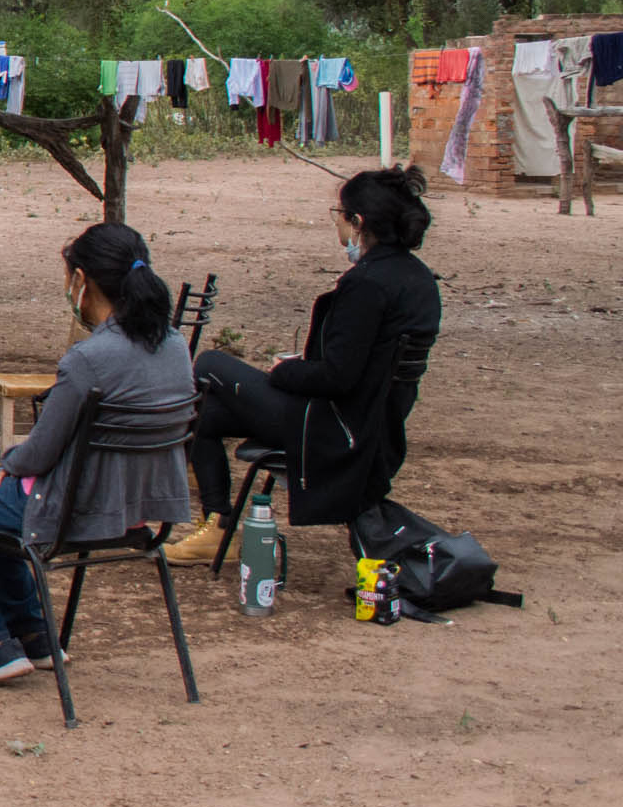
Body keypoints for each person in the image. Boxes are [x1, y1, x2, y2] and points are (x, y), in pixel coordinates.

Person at [0, 223, 193, 682]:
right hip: (138, 507)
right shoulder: (175, 347)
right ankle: (33, 635)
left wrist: (10, 467)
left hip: (74, 508)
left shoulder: (89, 359)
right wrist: (10, 472)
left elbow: (38, 453)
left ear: (81, 280)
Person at [165, 166, 443, 564]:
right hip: (373, 421)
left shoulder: (365, 284)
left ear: (357, 222)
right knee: (209, 414)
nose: (339, 225)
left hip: (334, 426)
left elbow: (338, 377)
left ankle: (216, 521)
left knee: (210, 364)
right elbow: (364, 359)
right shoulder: (417, 279)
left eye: (340, 216)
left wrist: (282, 370)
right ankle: (217, 526)